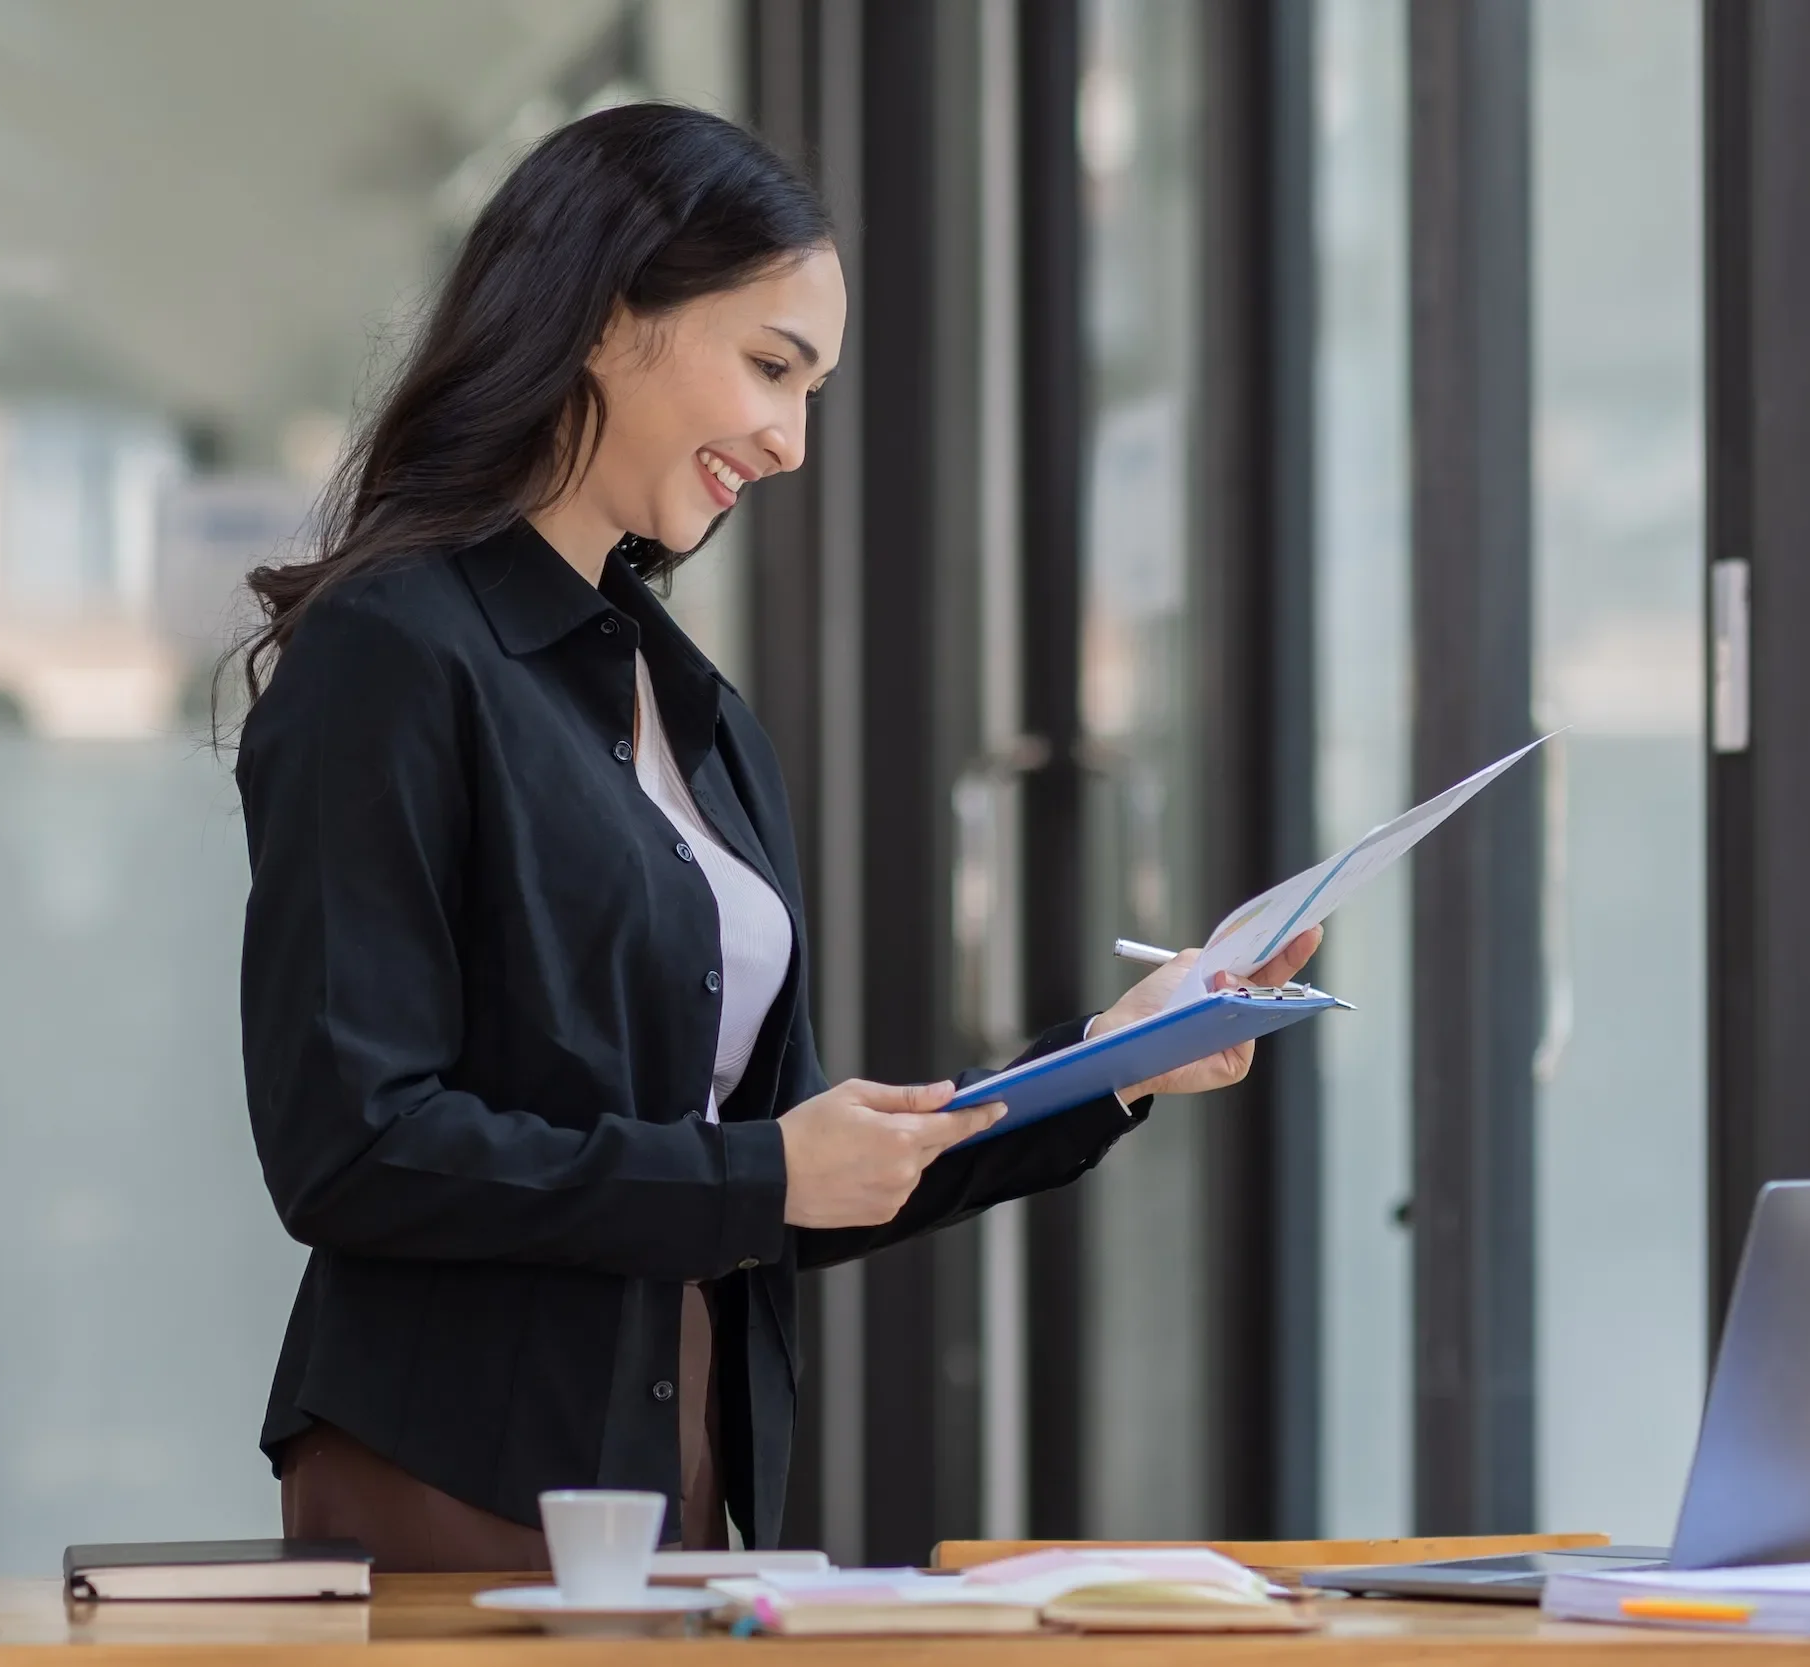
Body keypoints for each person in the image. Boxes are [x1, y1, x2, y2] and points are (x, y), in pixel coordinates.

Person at [230, 102, 1317, 1571]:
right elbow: (349, 1147)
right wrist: (758, 1180)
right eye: (770, 366)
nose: (794, 442)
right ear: (612, 319)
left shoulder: (690, 707)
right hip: (453, 1473)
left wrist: (1114, 1057)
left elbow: (798, 1163)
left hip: (681, 1475)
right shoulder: (397, 652)